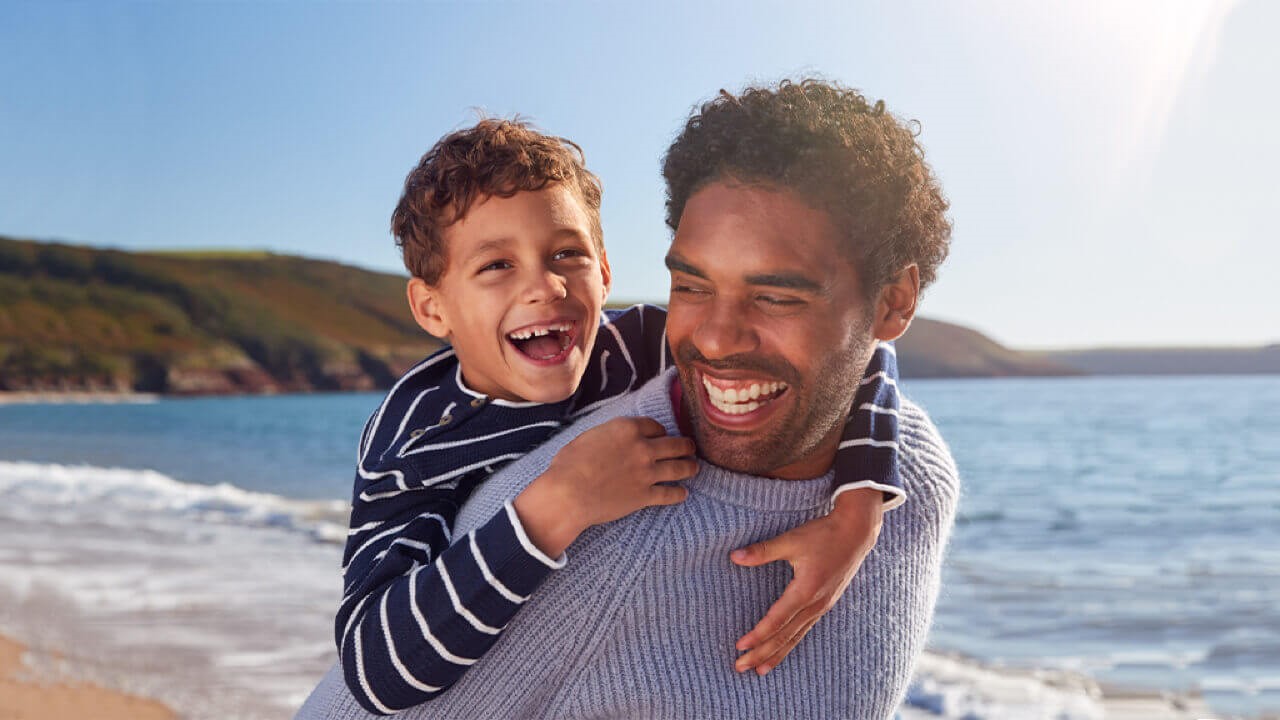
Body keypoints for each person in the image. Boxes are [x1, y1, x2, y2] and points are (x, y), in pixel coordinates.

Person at [301, 77, 958, 720]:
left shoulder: (636, 343)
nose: (546, 290)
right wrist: (555, 506)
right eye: (496, 266)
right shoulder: (418, 438)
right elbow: (375, 670)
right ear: (431, 307)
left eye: (566, 255)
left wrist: (863, 500)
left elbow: (861, 355)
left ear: (606, 271)